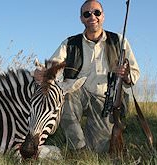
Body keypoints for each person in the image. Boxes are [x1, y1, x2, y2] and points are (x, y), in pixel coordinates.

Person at [34, 0, 140, 153]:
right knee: (66, 97)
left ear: (103, 16)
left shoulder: (119, 41)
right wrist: (41, 73)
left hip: (105, 100)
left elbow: (135, 73)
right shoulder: (70, 43)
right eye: (87, 14)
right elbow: (53, 67)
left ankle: (90, 143)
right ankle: (77, 149)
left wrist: (126, 76)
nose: (92, 16)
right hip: (77, 94)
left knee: (100, 149)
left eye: (97, 12)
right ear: (81, 19)